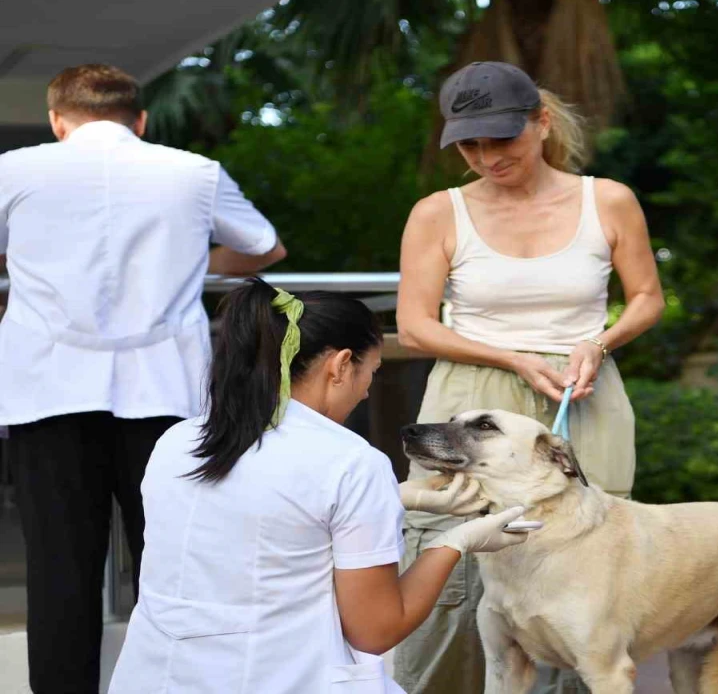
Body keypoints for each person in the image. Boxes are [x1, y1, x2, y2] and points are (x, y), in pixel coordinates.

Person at [0, 63, 288, 693]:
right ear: (141, 120)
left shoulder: (13, 170)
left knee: (59, 574)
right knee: (177, 570)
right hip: (166, 392)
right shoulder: (193, 172)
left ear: (57, 121)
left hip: (47, 392)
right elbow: (264, 247)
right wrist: (191, 260)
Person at [108, 279, 528, 693]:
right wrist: (454, 542)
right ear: (341, 364)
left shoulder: (180, 440)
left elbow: (263, 521)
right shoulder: (351, 462)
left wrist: (397, 499)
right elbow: (376, 629)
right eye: (371, 373)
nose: (366, 393)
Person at [393, 61, 665, 694]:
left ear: (541, 122)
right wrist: (512, 358)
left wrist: (599, 342)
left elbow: (648, 298)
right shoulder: (437, 212)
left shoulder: (609, 200)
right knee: (451, 560)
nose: (487, 157)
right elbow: (414, 326)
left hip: (582, 393)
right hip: (470, 399)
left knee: (589, 569)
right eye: (470, 144)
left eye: (502, 139)